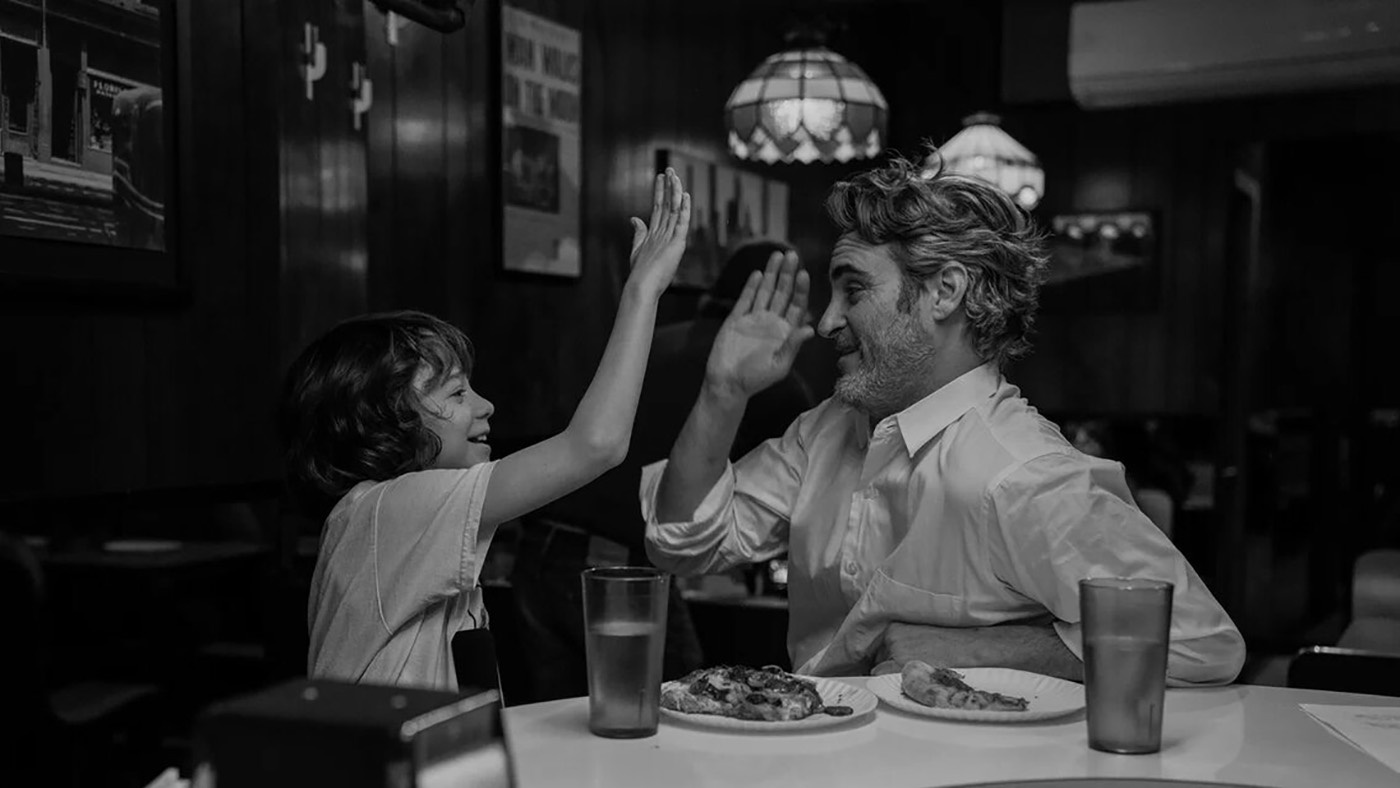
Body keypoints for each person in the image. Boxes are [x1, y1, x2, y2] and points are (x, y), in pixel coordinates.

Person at [642, 151, 1245, 685]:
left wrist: (985, 651)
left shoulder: (1022, 473)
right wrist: (723, 391)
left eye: (854, 291)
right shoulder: (825, 431)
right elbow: (684, 544)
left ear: (945, 291)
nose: (825, 323)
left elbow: (1198, 643)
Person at [278, 169, 691, 690]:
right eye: (456, 394)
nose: (486, 406)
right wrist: (642, 292)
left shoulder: (383, 513)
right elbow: (597, 444)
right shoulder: (386, 510)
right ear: (381, 422)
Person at [510, 238, 819, 700]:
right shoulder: (770, 379)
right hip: (617, 570)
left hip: (533, 553)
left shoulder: (656, 341)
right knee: (680, 707)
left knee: (557, 724)